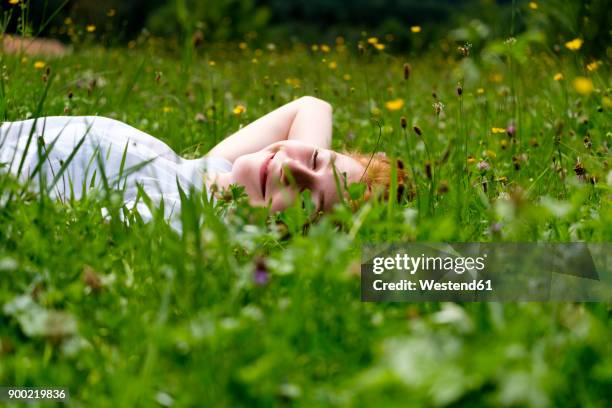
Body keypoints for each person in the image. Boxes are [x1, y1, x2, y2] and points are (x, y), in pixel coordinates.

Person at [0, 96, 405, 232]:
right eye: (314, 158)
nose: (293, 169)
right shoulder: (207, 173)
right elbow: (313, 105)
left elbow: (464, 272)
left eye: (306, 199)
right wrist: (308, 171)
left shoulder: (183, 220)